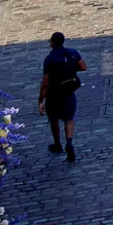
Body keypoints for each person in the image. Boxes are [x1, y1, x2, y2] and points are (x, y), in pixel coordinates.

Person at [38, 32, 86, 162]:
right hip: (69, 92)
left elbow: (45, 82)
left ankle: (57, 144)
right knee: (69, 118)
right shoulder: (73, 53)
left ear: (52, 43)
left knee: (54, 120)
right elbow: (83, 67)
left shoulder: (49, 59)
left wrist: (40, 100)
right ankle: (69, 142)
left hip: (54, 95)